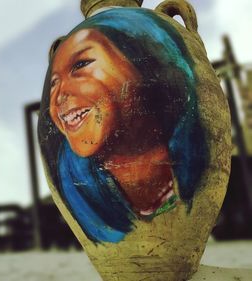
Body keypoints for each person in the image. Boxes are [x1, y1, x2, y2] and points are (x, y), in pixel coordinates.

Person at [38, 8, 208, 243]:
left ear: (145, 62)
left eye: (81, 64)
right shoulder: (83, 196)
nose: (57, 96)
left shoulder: (197, 156)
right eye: (53, 81)